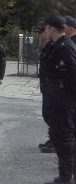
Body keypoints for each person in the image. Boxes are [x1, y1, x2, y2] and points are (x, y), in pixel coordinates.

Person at [41, 15, 76, 184]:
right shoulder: (56, 46)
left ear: (53, 29)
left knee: (65, 140)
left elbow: (72, 78)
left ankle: (66, 176)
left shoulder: (65, 48)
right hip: (56, 100)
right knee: (60, 138)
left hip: (64, 102)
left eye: (47, 28)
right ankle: (65, 174)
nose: (45, 31)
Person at [37, 22, 57, 154]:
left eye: (41, 32)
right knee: (48, 114)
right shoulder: (48, 47)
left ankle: (55, 142)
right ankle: (53, 139)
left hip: (53, 88)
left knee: (52, 115)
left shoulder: (55, 47)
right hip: (47, 87)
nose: (39, 36)